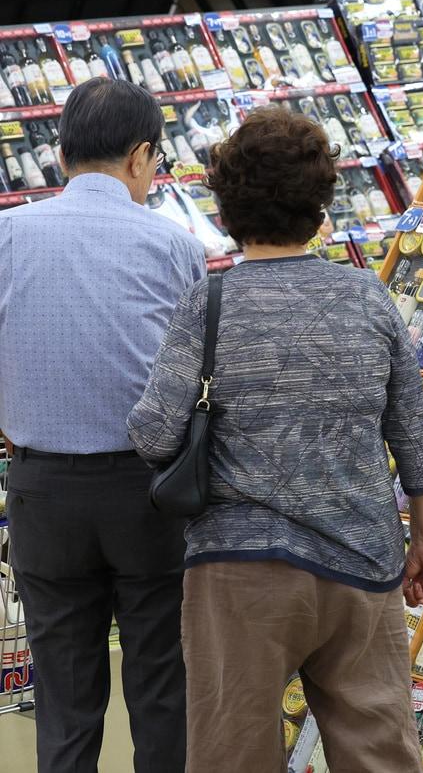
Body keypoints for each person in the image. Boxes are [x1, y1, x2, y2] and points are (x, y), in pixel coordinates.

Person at [126, 107, 423, 772]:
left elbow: (156, 435)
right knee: (381, 754)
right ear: (321, 201)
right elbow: (414, 435)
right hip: (362, 560)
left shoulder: (207, 304)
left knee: (232, 756)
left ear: (226, 204)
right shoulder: (367, 296)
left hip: (237, 570)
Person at [0, 77, 203, 772]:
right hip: (149, 491)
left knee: (63, 693)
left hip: (41, 488)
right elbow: (194, 376)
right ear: (142, 157)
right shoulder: (174, 246)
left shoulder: (6, 235)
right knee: (161, 687)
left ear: (61, 157)